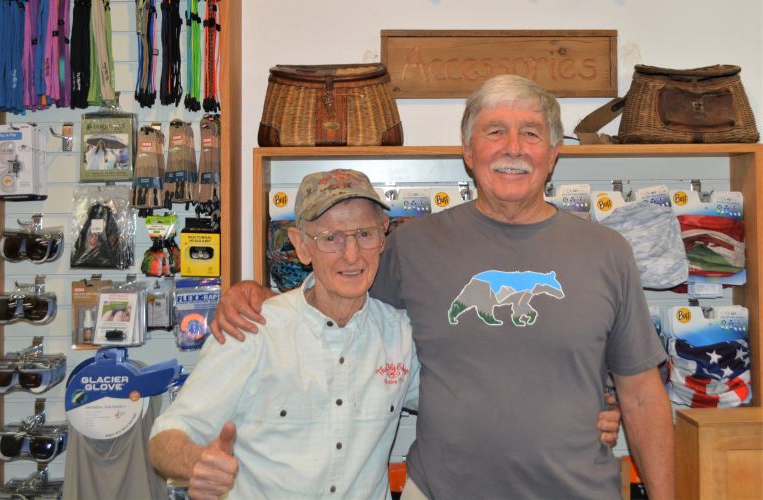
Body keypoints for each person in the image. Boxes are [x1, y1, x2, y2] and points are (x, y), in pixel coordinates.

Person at [211, 74, 674, 499]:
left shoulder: (607, 252)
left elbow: (641, 393)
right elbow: (337, 308)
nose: (513, 147)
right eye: (495, 131)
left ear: (553, 153)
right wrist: (258, 295)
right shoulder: (411, 246)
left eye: (531, 133)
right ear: (468, 151)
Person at [148, 169, 421, 499]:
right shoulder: (252, 329)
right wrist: (196, 462)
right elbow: (166, 436)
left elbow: (460, 401)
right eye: (331, 238)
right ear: (302, 246)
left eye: (364, 234)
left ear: (382, 237)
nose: (352, 255)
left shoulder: (401, 337)